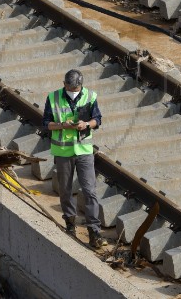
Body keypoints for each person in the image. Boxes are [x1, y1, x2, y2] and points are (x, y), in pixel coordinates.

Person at [42, 69, 107, 248]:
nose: (74, 91)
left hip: (84, 151)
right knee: (65, 190)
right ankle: (70, 225)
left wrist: (86, 124)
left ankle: (94, 231)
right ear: (64, 85)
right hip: (63, 153)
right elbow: (46, 123)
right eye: (70, 88)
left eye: (76, 88)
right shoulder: (53, 97)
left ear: (81, 85)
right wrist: (62, 125)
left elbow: (98, 120)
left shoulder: (90, 95)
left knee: (90, 191)